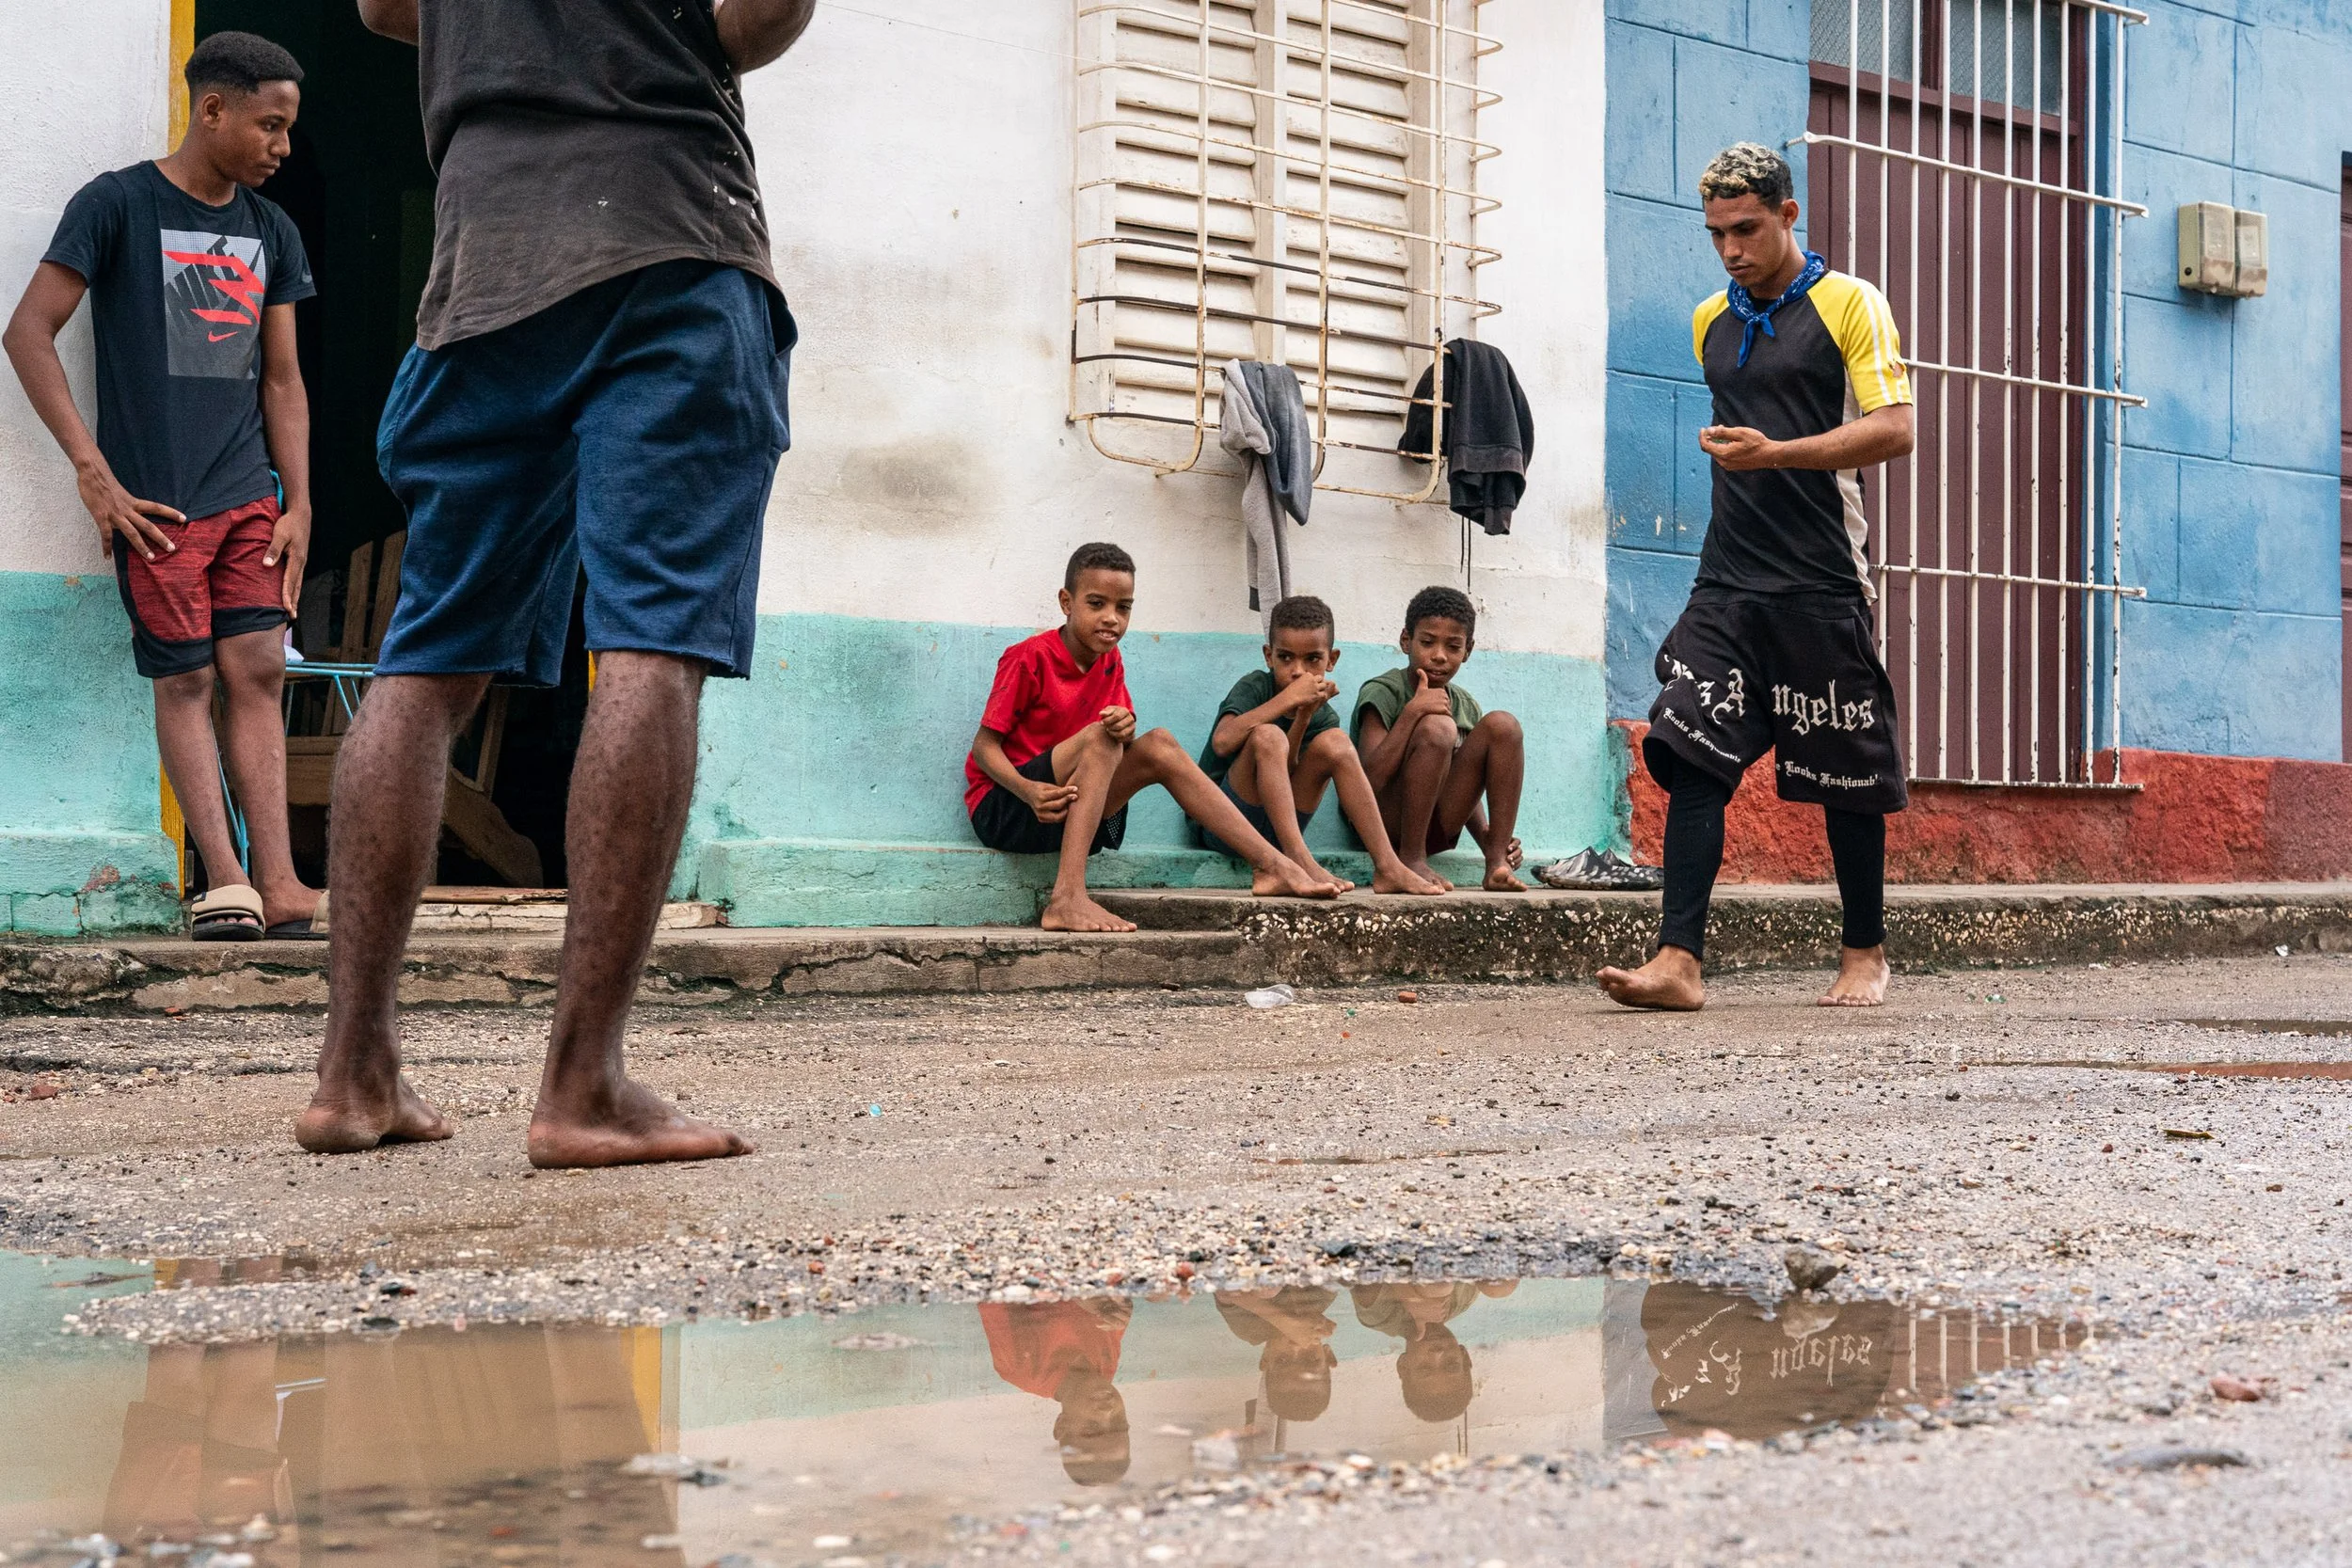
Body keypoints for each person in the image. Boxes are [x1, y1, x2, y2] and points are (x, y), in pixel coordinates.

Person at [297, 0, 817, 1164]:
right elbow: (750, 25)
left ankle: (354, 1073)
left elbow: (385, 6)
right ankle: (581, 1085)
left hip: (483, 268)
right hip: (666, 245)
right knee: (650, 644)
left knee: (425, 658)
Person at [4, 32, 320, 942]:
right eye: (270, 124)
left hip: (249, 495)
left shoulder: (274, 230)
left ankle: (284, 879)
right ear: (211, 110)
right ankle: (225, 882)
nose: (282, 146)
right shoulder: (115, 206)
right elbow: (29, 333)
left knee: (258, 666)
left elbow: (283, 379)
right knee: (184, 681)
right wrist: (93, 477)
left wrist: (299, 503)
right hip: (158, 509)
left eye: (288, 128)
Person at [1597, 142, 1915, 1014]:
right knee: (1687, 745)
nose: (1732, 248)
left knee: (1846, 775)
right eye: (1716, 234)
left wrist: (1778, 456)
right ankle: (1679, 959)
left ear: (1787, 215)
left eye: (1746, 228)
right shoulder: (1711, 320)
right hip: (1728, 583)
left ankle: (1864, 952)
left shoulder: (1851, 304)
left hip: (1822, 581)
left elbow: (1895, 429)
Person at [964, 543, 1343, 934]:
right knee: (1101, 738)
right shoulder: (1029, 657)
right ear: (1066, 602)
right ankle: (1067, 898)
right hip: (1009, 806)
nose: (1111, 619)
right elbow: (984, 747)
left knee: (1158, 741)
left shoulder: (1110, 660)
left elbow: (1116, 744)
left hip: (1069, 808)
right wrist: (1028, 790)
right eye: (1096, 604)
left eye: (1123, 607)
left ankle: (1271, 865)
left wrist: (1125, 731)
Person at [1191, 594, 1446, 897]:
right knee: (1267, 736)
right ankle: (1300, 860)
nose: (1298, 671)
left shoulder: (1323, 713)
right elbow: (1223, 742)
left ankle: (1388, 866)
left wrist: (1303, 716)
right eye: (1286, 658)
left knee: (1335, 742)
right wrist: (1285, 701)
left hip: (1278, 830)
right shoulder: (1256, 685)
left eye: (1312, 659)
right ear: (1268, 656)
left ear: (1331, 660)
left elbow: (1284, 775)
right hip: (1226, 827)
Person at [1349, 587, 1527, 893]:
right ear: (1406, 640)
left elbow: (1462, 779)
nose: (1439, 656)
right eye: (1427, 642)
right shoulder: (1384, 692)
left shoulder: (1465, 706)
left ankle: (1496, 861)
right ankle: (1410, 859)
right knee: (1437, 727)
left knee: (1503, 726)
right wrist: (1411, 715)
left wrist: (1485, 835)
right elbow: (1369, 780)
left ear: (1467, 650)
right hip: (1383, 824)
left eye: (1453, 646)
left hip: (1437, 824)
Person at [978, 1297, 1135, 1486]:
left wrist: (1075, 1293)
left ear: (1061, 1426)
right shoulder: (1106, 1367)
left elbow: (988, 1287)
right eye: (1118, 1422)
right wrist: (1122, 1304)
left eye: (1091, 1428)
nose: (1107, 1412)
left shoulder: (1020, 1369)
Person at [1350, 1280, 1517, 1424]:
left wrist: (1409, 1296)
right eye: (1451, 1365)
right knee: (1500, 1288)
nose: (1438, 1354)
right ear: (1464, 1356)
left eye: (1425, 1368)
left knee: (1438, 1287)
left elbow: (1359, 1263)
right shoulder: (1462, 1300)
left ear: (1403, 1366)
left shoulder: (1379, 1316)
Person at [1214, 1284, 1341, 1424]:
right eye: (1310, 1359)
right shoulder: (1322, 1298)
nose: (1296, 1347)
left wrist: (1282, 1320)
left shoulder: (1250, 1329)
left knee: (1267, 1290)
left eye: (1283, 1360)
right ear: (1328, 1355)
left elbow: (1224, 1289)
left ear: (1266, 1358)